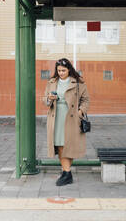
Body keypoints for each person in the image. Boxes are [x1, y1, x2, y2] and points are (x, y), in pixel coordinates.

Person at [44, 58, 90, 186]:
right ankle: (66, 172)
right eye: (58, 70)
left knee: (69, 145)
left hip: (71, 117)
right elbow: (44, 99)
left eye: (63, 70)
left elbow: (86, 100)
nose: (61, 73)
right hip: (56, 116)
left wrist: (80, 112)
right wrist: (49, 99)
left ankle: (66, 172)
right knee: (59, 144)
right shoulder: (52, 82)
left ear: (69, 69)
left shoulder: (78, 82)